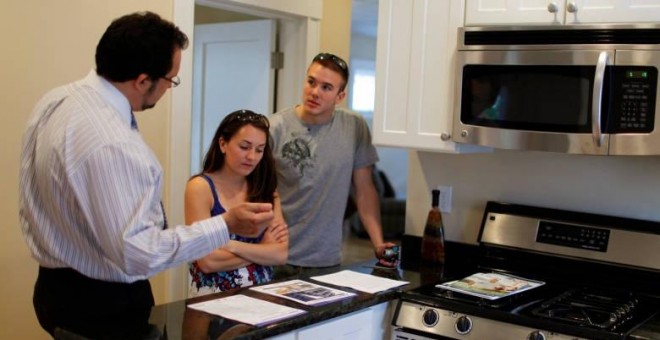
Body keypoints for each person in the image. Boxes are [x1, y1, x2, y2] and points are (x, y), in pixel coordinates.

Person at [18, 12, 273, 340]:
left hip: (53, 289)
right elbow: (141, 255)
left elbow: (30, 199)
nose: (169, 88)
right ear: (142, 80)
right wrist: (225, 224)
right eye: (170, 79)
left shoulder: (55, 101)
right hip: (103, 307)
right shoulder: (114, 144)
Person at [269, 52, 396, 278]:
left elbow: (364, 189)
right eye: (311, 82)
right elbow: (259, 190)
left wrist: (378, 243)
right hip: (276, 258)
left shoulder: (354, 127)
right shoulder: (275, 128)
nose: (315, 92)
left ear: (340, 95)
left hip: (326, 261)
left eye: (326, 87)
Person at [185, 110, 288, 297]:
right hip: (212, 301)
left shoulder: (266, 190)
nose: (252, 157)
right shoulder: (200, 187)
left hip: (261, 298)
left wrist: (230, 245)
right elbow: (207, 262)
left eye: (259, 149)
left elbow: (280, 255)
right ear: (223, 144)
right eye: (244, 147)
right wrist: (262, 250)